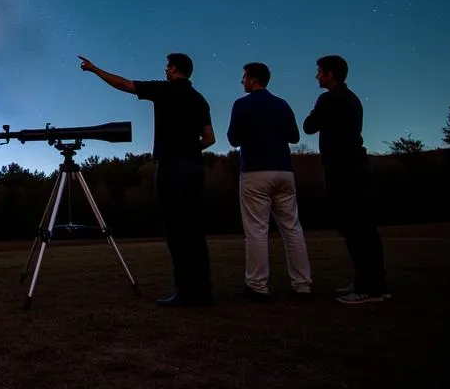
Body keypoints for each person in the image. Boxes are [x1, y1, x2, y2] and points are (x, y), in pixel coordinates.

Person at [80, 52, 215, 306]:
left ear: (174, 69)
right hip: (196, 168)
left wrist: (95, 70)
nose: (165, 70)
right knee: (195, 231)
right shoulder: (199, 99)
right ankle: (203, 291)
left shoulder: (164, 90)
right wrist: (189, 149)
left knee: (176, 231)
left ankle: (185, 292)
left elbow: (123, 84)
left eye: (167, 67)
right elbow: (209, 138)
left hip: (172, 168)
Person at [303, 55, 388, 304]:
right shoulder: (351, 99)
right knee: (363, 228)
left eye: (319, 71)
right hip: (357, 166)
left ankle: (370, 288)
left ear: (330, 74)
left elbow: (309, 126)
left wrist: (315, 112)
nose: (317, 76)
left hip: (343, 170)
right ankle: (370, 281)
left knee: (356, 228)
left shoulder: (330, 99)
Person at [227, 62, 312, 300]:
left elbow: (233, 139)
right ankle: (302, 284)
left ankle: (257, 285)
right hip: (284, 171)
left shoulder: (242, 105)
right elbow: (294, 136)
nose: (242, 81)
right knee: (292, 228)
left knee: (256, 230)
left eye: (244, 77)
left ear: (253, 79)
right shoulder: (282, 104)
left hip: (256, 171)